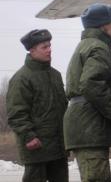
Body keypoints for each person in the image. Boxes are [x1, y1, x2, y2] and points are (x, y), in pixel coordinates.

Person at [63, 3, 111, 182]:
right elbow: (90, 85)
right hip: (89, 130)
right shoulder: (98, 48)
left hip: (88, 127)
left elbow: (93, 94)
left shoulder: (85, 45)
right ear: (105, 26)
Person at [6, 29, 69, 182]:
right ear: (32, 50)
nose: (49, 50)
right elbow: (16, 113)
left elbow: (63, 107)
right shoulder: (22, 78)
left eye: (50, 46)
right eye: (44, 47)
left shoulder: (55, 75)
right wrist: (29, 136)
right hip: (37, 147)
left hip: (59, 146)